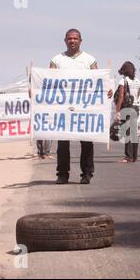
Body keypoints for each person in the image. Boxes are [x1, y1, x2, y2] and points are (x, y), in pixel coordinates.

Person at [50, 28, 112, 185]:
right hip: (63, 108)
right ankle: (62, 174)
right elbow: (48, 81)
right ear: (65, 40)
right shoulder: (56, 60)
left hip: (85, 108)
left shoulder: (89, 60)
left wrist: (106, 90)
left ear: (80, 40)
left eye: (75, 38)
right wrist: (35, 91)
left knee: (86, 141)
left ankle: (87, 174)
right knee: (63, 143)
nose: (72, 41)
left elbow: (99, 80)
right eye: (69, 38)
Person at [115, 61, 140, 163]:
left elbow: (121, 96)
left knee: (127, 132)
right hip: (136, 107)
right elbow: (137, 95)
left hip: (127, 108)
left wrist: (117, 110)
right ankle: (134, 156)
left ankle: (128, 156)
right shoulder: (138, 81)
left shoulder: (123, 80)